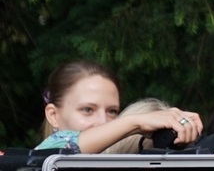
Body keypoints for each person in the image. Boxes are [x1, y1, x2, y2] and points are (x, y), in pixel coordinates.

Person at [37, 59, 205, 154]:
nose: (103, 121)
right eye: (87, 110)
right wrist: (137, 123)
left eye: (112, 111)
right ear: (53, 115)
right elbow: (56, 151)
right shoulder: (40, 160)